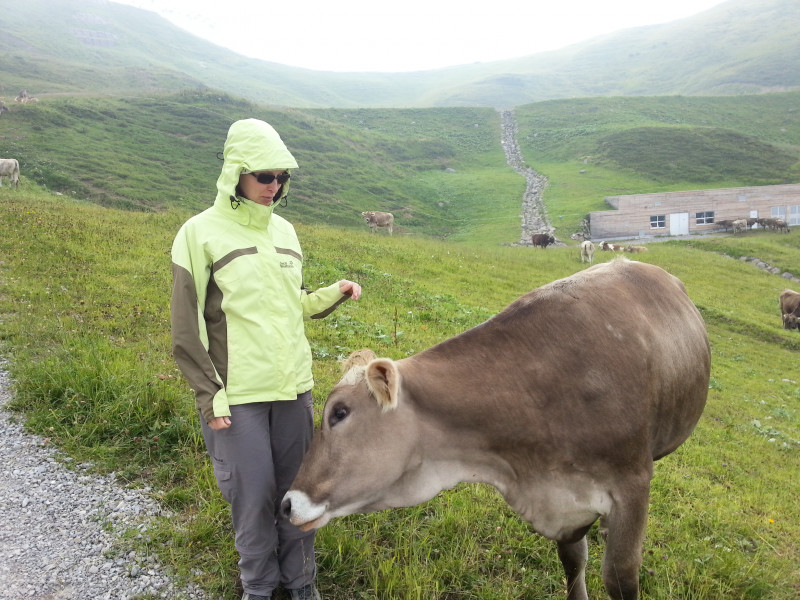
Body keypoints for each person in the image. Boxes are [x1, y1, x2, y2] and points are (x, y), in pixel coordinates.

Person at [170, 118, 362, 600]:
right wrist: (210, 395)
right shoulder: (199, 233)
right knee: (253, 499)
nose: (274, 185)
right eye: (264, 176)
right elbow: (187, 326)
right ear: (236, 172)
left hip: (294, 390)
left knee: (299, 496)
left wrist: (333, 292)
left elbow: (293, 303)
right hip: (238, 398)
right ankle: (258, 587)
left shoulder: (285, 231)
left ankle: (301, 584)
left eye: (281, 177)